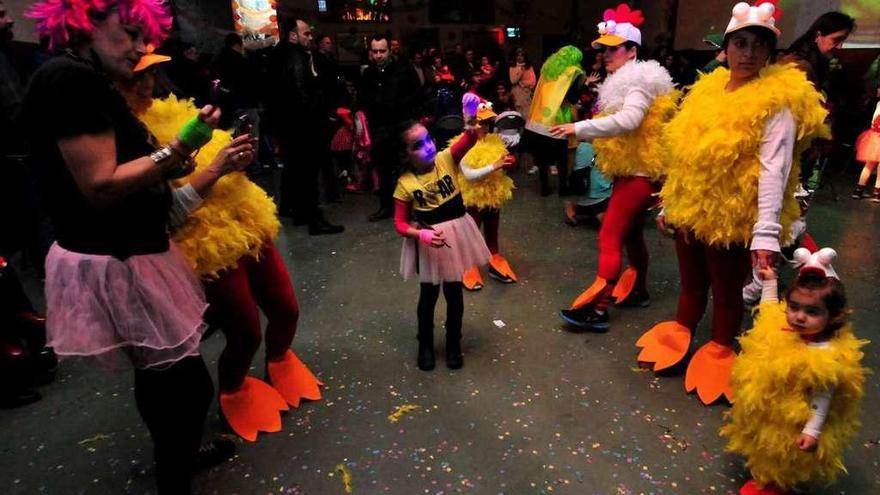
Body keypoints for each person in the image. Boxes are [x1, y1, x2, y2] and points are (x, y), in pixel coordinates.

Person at [22, 1, 234, 492]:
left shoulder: (77, 76)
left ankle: (176, 457)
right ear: (87, 20)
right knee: (183, 386)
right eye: (133, 32)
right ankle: (174, 473)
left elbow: (136, 166)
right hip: (121, 259)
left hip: (128, 250)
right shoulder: (70, 80)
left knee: (166, 377)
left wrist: (185, 144)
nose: (143, 48)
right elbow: (100, 182)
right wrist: (179, 150)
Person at [120, 55, 323, 443]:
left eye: (149, 73)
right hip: (205, 249)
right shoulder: (124, 142)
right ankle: (236, 390)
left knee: (286, 310)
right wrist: (216, 169)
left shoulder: (180, 114)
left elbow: (221, 168)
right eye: (134, 77)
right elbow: (165, 215)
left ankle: (280, 362)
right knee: (245, 333)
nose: (146, 84)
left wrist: (237, 161)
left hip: (249, 226)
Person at [636, 1, 829, 405]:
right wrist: (671, 203)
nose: (749, 53)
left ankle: (721, 348)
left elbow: (774, 169)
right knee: (691, 282)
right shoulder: (707, 90)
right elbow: (683, 153)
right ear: (725, 47)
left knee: (725, 292)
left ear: (770, 53)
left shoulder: (775, 102)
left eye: (759, 45)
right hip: (693, 209)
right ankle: (680, 331)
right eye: (740, 43)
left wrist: (765, 235)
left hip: (736, 216)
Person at [551, 3, 677, 331]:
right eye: (603, 50)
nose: (605, 55)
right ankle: (639, 290)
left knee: (609, 234)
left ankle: (598, 310)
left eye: (612, 49)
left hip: (638, 174)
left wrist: (579, 129)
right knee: (633, 234)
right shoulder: (625, 79)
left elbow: (630, 120)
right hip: (633, 170)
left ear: (631, 50)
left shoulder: (637, 80)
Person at [720, 249, 866, 495]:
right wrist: (770, 282)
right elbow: (768, 313)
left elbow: (823, 397)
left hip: (794, 420)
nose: (798, 317)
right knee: (764, 445)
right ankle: (765, 478)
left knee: (785, 455)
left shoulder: (826, 355)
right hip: (770, 407)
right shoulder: (786, 326)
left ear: (834, 316)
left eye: (812, 312)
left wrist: (812, 431)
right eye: (794, 307)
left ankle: (780, 487)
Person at [392, 94, 491, 371]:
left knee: (455, 295)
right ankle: (425, 344)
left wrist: (469, 117)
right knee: (428, 297)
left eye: (428, 140)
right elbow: (399, 224)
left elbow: (469, 139)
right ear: (405, 155)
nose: (428, 147)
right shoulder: (405, 184)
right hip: (430, 243)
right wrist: (419, 234)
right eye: (417, 145)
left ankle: (453, 344)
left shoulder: (446, 159)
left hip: (456, 236)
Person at [266, 16, 344, 234]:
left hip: (288, 127)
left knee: (295, 170)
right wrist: (320, 106)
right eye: (306, 34)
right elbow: (303, 95)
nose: (310, 37)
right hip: (304, 127)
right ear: (293, 35)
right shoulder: (296, 57)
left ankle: (297, 212)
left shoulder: (279, 54)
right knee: (308, 174)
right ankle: (315, 220)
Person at [358, 34, 421, 221]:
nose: (378, 55)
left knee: (405, 170)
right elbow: (363, 99)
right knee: (383, 170)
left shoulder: (403, 70)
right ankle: (386, 207)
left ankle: (410, 209)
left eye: (382, 51)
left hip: (401, 127)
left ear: (389, 51)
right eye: (375, 51)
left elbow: (416, 96)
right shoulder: (368, 73)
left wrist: (400, 111)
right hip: (380, 129)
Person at [458, 100, 519, 290]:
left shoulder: (494, 140)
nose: (484, 126)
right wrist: (495, 165)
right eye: (480, 122)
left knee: (492, 230)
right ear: (470, 122)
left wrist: (510, 161)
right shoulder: (461, 144)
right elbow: (468, 175)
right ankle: (467, 265)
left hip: (493, 194)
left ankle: (494, 259)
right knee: (472, 231)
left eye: (487, 122)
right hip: (473, 197)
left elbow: (504, 167)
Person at [852, 88, 880, 201]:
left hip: (874, 137)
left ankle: (859, 190)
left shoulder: (878, 103)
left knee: (869, 165)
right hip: (876, 136)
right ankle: (877, 192)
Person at [509, 48, 536, 116]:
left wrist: (522, 83)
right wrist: (520, 71)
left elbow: (533, 81)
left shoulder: (528, 67)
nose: (519, 57)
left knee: (528, 113)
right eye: (518, 56)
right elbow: (513, 80)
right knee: (519, 113)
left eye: (521, 56)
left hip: (527, 93)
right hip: (517, 93)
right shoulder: (512, 67)